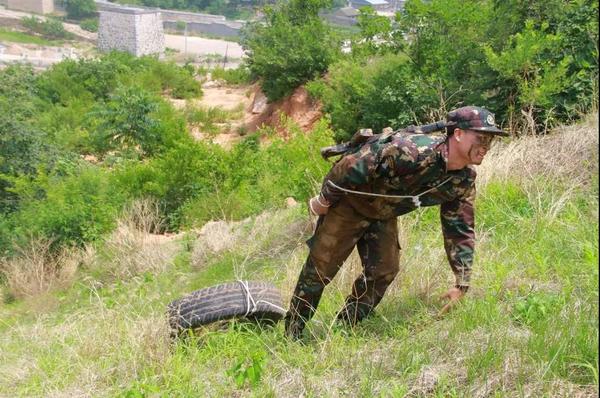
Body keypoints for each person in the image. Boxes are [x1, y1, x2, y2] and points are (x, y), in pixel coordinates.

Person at [284, 106, 508, 340]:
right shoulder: (411, 150)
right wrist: (324, 200)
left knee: (384, 271)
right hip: (350, 205)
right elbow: (349, 165)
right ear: (459, 134)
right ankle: (292, 333)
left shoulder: (462, 180)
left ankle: (344, 327)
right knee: (320, 270)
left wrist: (462, 281)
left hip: (383, 214)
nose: (485, 147)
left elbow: (460, 228)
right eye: (481, 138)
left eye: (490, 141)